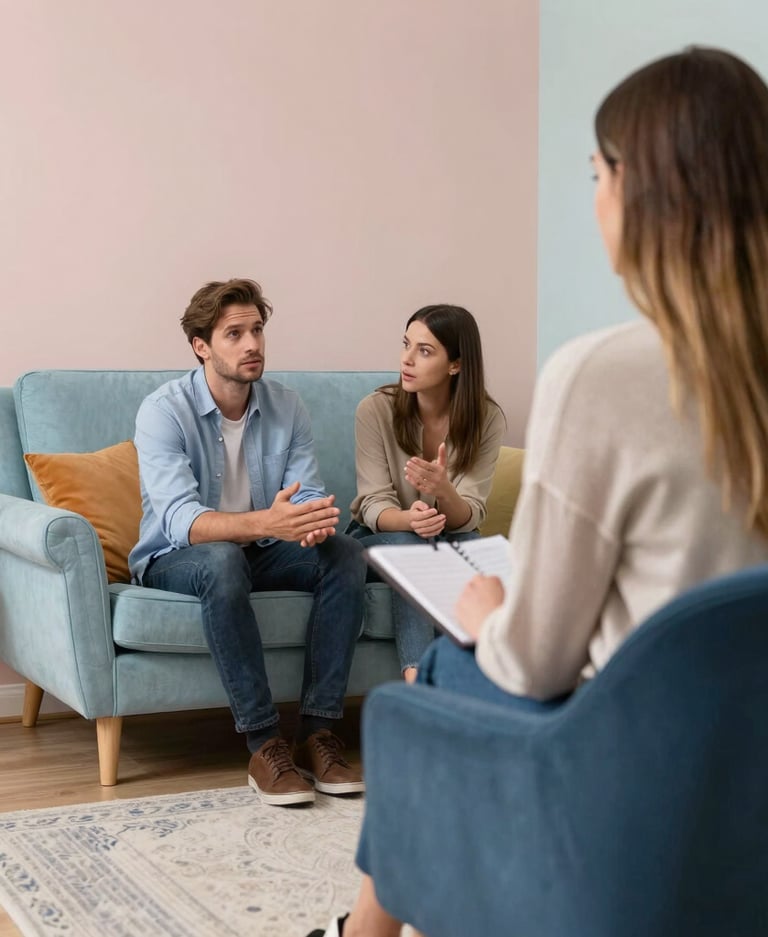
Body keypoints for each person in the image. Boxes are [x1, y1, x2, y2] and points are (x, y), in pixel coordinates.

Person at [306, 46, 768, 936]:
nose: (593, 197)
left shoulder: (601, 376)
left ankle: (359, 932)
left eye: (597, 173)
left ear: (643, 192)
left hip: (632, 782)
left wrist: (486, 613)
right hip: (747, 776)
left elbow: (538, 659)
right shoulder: (385, 410)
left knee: (438, 669)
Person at [128, 278, 367, 807]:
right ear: (202, 346)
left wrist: (315, 520)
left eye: (256, 329)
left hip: (263, 549)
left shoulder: (287, 406)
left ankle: (319, 734)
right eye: (234, 333)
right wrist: (270, 523)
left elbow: (302, 496)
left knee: (347, 553)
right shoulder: (163, 411)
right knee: (220, 562)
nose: (252, 344)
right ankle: (264, 745)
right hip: (177, 558)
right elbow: (180, 521)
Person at [348, 304, 505, 681]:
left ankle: (484, 678)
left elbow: (470, 512)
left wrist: (442, 490)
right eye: (406, 345)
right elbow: (372, 504)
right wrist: (410, 519)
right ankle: (418, 682)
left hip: (448, 535)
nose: (406, 359)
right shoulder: (375, 410)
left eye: (424, 350)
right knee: (411, 544)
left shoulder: (488, 419)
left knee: (469, 544)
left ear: (456, 365)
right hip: (380, 539)